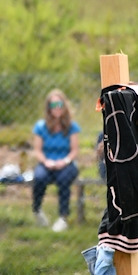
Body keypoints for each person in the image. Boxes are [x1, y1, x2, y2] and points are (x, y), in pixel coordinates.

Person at [31, 90, 80, 232]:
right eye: (53, 104)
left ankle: (63, 217)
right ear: (48, 107)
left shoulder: (72, 126)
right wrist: (46, 162)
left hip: (66, 163)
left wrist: (65, 161)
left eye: (60, 104)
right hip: (47, 162)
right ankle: (37, 210)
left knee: (64, 178)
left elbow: (75, 150)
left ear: (64, 106)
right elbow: (38, 150)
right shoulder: (40, 126)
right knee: (40, 177)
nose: (57, 107)